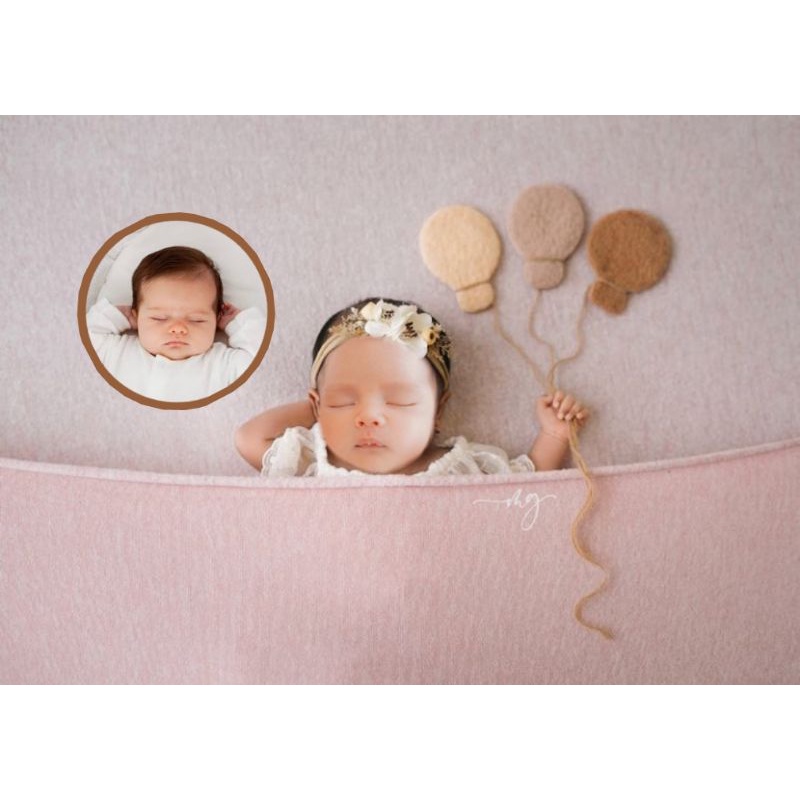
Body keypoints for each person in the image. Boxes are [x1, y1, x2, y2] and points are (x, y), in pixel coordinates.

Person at [236, 298, 589, 476]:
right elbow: (249, 439)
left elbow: (526, 484)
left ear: (438, 411)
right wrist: (322, 413)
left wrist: (555, 435)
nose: (370, 417)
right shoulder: (314, 459)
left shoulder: (460, 465)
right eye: (345, 401)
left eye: (400, 402)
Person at [87, 246, 265, 402]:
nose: (178, 328)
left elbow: (264, 360)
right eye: (159, 318)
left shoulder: (223, 365)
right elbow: (86, 336)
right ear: (136, 316)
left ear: (217, 320)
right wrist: (120, 316)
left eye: (196, 319)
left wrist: (238, 322)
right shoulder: (118, 353)